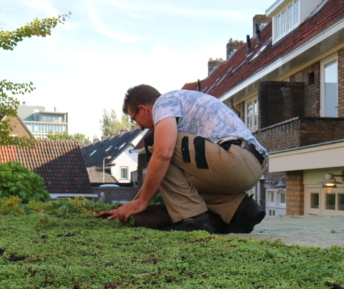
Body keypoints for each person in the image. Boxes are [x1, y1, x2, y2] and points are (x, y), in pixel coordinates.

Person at [98, 85, 268, 233]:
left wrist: (142, 202)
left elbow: (163, 153)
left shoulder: (164, 102)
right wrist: (132, 205)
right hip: (248, 166)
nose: (140, 127)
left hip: (235, 158)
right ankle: (240, 209)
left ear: (144, 108)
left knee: (156, 143)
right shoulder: (181, 108)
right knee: (181, 182)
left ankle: (194, 220)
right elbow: (165, 180)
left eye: (134, 119)